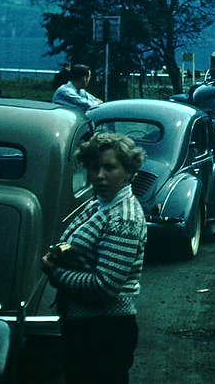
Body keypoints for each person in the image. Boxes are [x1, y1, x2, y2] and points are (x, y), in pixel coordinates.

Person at [41, 132, 147, 384]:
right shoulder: (99, 205)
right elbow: (73, 241)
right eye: (94, 167)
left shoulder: (124, 219)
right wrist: (58, 253)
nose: (99, 175)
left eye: (109, 168)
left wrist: (55, 273)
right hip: (84, 326)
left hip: (106, 331)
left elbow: (105, 287)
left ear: (129, 171)